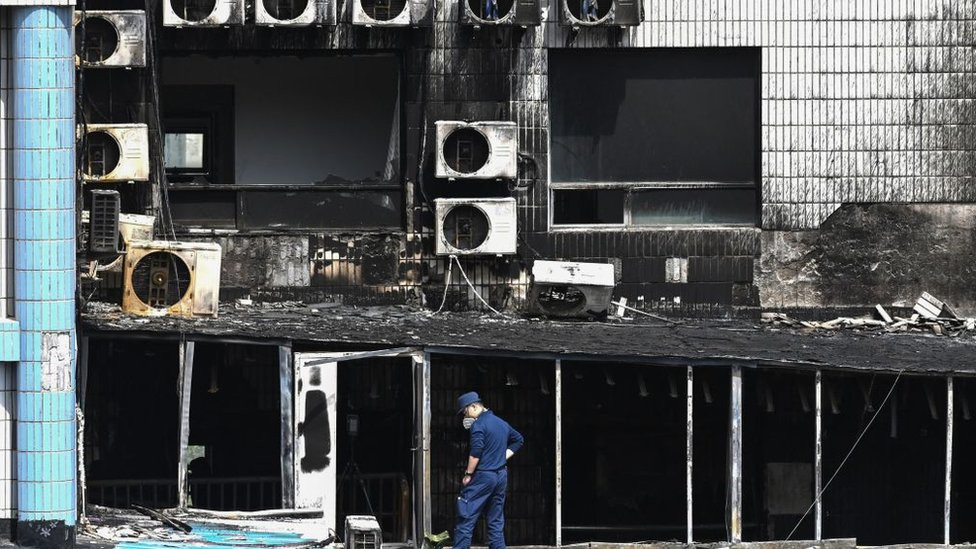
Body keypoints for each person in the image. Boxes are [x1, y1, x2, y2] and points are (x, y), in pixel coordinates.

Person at [453, 391, 524, 549]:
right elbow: (518, 440)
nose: (465, 416)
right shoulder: (501, 423)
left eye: (465, 411)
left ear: (473, 406)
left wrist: (468, 474)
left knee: (466, 516)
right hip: (501, 476)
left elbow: (476, 452)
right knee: (495, 521)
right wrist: (501, 457)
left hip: (484, 476)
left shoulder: (478, 425)